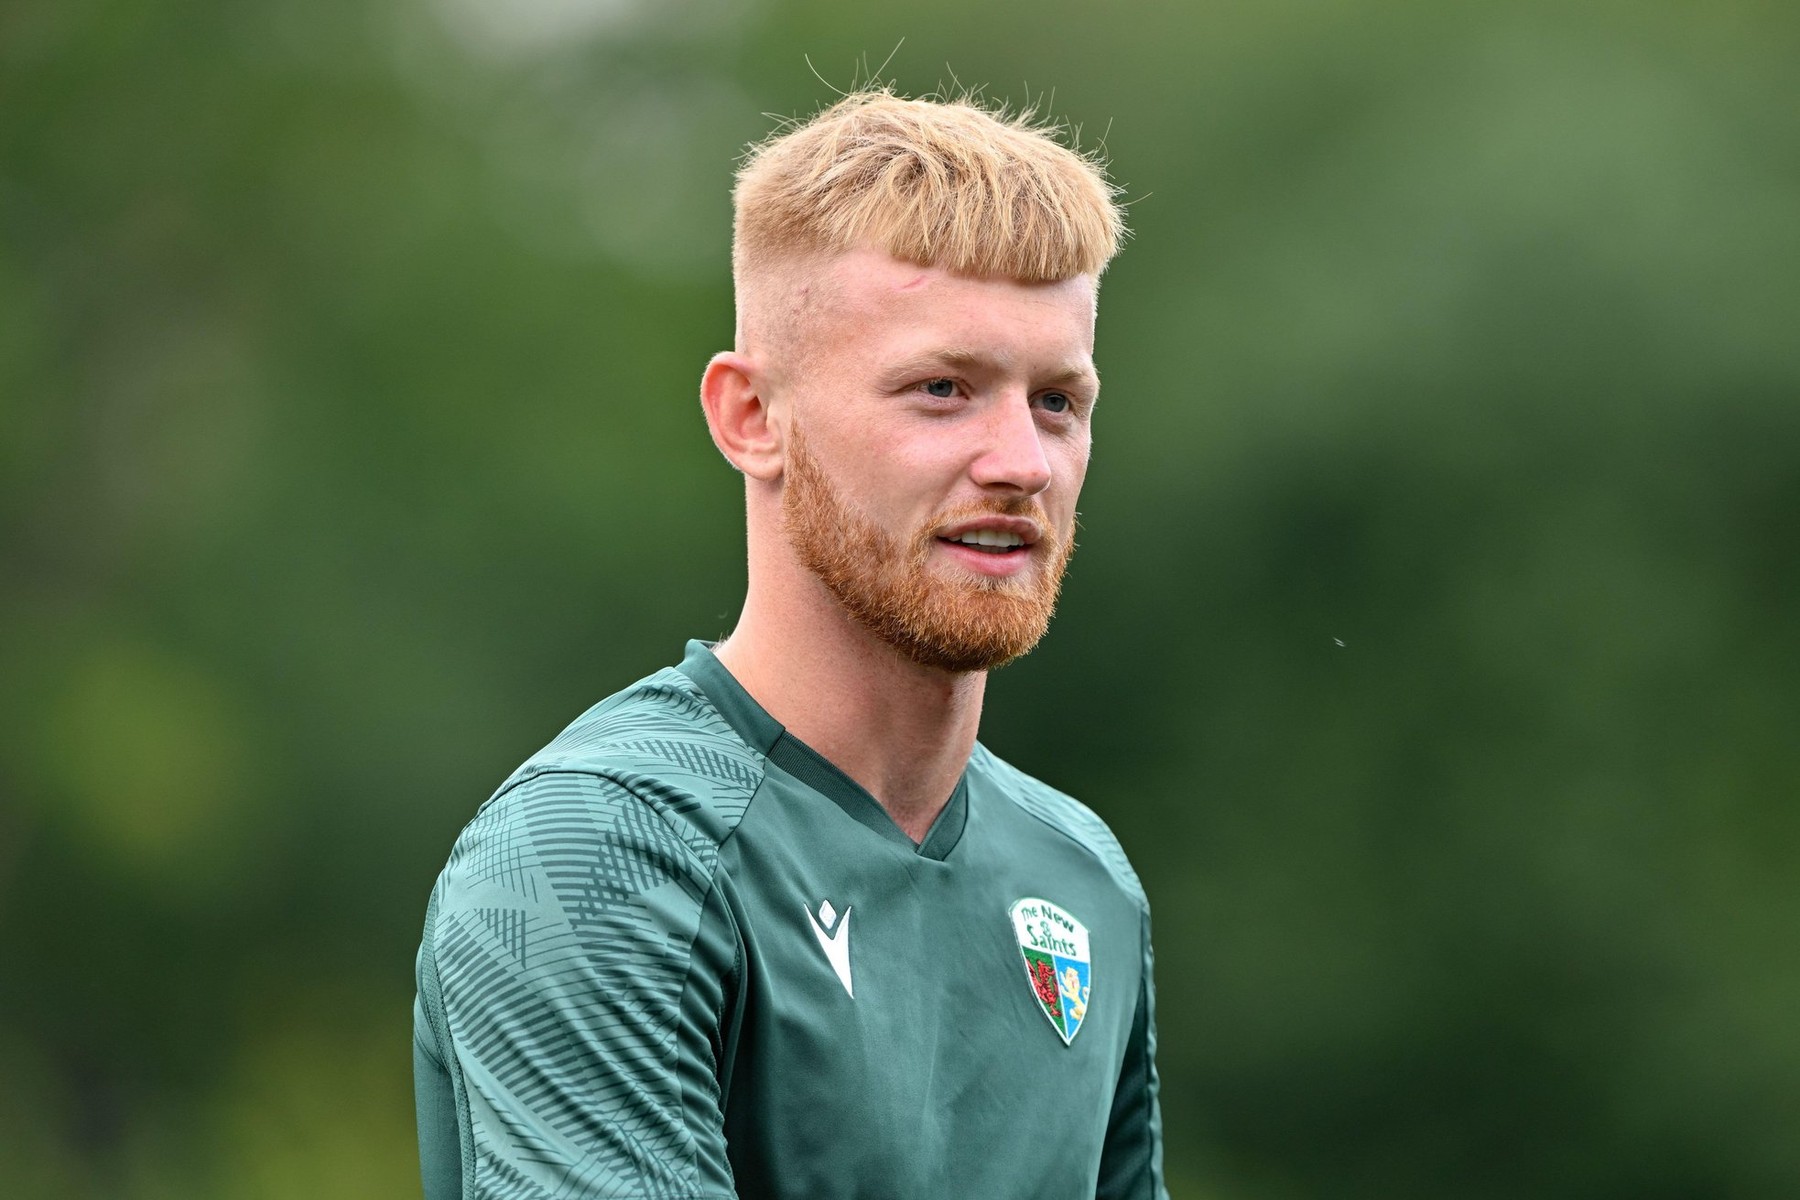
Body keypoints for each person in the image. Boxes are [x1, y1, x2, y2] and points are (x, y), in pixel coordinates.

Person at [413, 89, 1167, 1200]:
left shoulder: (1082, 881)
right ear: (751, 417)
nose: (1022, 461)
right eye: (943, 390)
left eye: (1056, 401)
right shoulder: (602, 851)